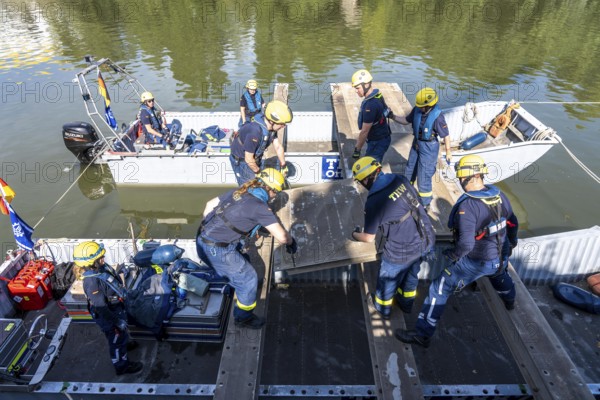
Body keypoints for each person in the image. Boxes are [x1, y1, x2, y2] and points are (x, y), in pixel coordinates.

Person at [395, 155, 519, 348]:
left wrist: (452, 256)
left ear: (468, 177)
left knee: (439, 287)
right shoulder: (499, 195)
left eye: (461, 178)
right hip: (499, 256)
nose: (460, 182)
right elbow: (513, 223)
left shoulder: (468, 207)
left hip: (476, 261)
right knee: (500, 275)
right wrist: (511, 244)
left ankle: (422, 334)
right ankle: (510, 301)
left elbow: (466, 245)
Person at [196, 168, 297, 328]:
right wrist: (292, 242)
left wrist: (216, 230)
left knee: (245, 260)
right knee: (249, 279)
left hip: (202, 239)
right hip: (218, 251)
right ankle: (243, 318)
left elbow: (209, 205)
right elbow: (283, 238)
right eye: (275, 193)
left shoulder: (239, 191)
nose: (274, 197)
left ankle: (232, 279)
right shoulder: (259, 207)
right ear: (269, 189)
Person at [351, 157, 435, 319]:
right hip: (424, 238)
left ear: (367, 179)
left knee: (387, 281)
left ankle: (382, 309)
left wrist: (354, 234)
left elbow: (368, 238)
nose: (362, 184)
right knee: (411, 275)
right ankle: (406, 304)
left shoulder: (374, 201)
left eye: (361, 181)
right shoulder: (399, 179)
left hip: (401, 250)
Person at [74, 241, 143, 375]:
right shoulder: (92, 282)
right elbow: (101, 308)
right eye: (100, 258)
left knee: (121, 337)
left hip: (116, 308)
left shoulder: (101, 269)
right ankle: (122, 366)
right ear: (91, 262)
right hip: (110, 316)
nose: (103, 259)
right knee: (116, 341)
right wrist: (117, 322)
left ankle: (124, 343)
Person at [392, 87, 452, 209]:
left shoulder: (438, 117)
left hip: (429, 147)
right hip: (417, 143)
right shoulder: (417, 110)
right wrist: (392, 116)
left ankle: (425, 203)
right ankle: (406, 192)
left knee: (424, 175)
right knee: (410, 168)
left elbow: (445, 135)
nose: (419, 107)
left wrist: (448, 151)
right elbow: (406, 120)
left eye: (421, 106)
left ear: (429, 105)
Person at [230, 100, 293, 186]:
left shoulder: (271, 129)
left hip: (254, 157)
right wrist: (260, 174)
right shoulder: (255, 132)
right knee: (250, 188)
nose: (283, 126)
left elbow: (278, 146)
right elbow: (248, 159)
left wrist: (283, 165)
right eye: (282, 124)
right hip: (242, 161)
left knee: (259, 185)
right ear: (272, 121)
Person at [351, 69, 393, 163]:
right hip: (383, 137)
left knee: (370, 170)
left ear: (366, 85)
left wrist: (357, 149)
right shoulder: (377, 95)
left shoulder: (370, 106)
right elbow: (385, 110)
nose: (356, 91)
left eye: (357, 88)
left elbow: (364, 131)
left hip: (377, 142)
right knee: (372, 168)